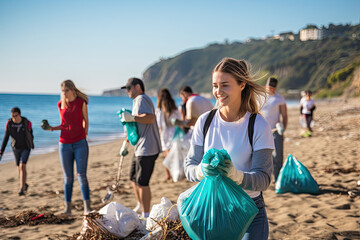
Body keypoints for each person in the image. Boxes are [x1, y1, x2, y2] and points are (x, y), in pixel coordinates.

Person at [184, 57, 275, 240]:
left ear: (242, 84)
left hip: (248, 210)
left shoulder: (257, 125)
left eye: (225, 85)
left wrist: (236, 175)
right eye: (215, 85)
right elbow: (189, 167)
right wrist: (202, 170)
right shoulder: (205, 121)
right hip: (211, 211)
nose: (218, 91)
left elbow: (264, 179)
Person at [120, 77, 162, 219]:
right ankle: (139, 205)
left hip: (148, 147)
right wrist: (125, 143)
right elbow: (136, 127)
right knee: (133, 177)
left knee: (143, 182)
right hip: (139, 147)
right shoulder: (136, 101)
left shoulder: (142, 98)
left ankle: (146, 214)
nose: (127, 91)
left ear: (137, 87)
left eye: (128, 88)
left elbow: (150, 118)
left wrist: (132, 118)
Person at [48, 80, 91, 215]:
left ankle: (87, 208)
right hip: (64, 144)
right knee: (68, 178)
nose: (64, 93)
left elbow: (86, 121)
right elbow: (64, 124)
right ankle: (68, 209)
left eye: (66, 90)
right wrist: (51, 128)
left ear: (72, 90)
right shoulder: (60, 104)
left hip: (80, 144)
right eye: (62, 91)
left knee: (81, 175)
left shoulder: (80, 102)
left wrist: (83, 136)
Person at [0, 107, 34, 196]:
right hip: (16, 148)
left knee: (22, 165)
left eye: (16, 116)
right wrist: (1, 151)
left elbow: (31, 134)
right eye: (12, 116)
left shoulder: (26, 122)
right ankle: (24, 184)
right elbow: (6, 137)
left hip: (26, 147)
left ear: (19, 115)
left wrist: (32, 144)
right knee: (19, 167)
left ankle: (21, 189)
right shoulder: (9, 123)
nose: (14, 118)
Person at [260, 77, 288, 182]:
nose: (271, 89)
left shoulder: (279, 98)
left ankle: (278, 180)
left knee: (278, 156)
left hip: (276, 130)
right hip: (261, 132)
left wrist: (283, 129)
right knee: (265, 156)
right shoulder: (260, 97)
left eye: (273, 88)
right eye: (269, 87)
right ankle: (265, 179)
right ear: (265, 86)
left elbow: (284, 115)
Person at [155, 88, 181, 181]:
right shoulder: (174, 108)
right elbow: (179, 120)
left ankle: (168, 174)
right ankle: (175, 172)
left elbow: (158, 124)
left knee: (167, 154)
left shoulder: (159, 110)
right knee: (174, 154)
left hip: (164, 134)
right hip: (175, 133)